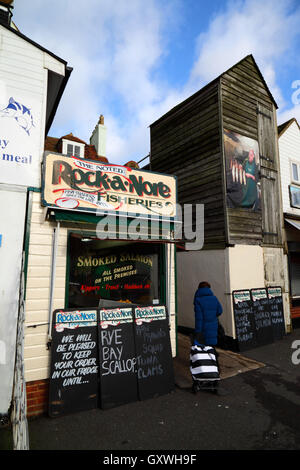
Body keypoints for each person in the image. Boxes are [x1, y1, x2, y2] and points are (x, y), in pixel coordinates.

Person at [193, 281, 223, 347]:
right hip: (213, 326)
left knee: (203, 349)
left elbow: (199, 318)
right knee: (211, 347)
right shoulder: (214, 298)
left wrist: (198, 332)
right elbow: (220, 311)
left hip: (203, 328)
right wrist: (212, 316)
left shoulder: (198, 300)